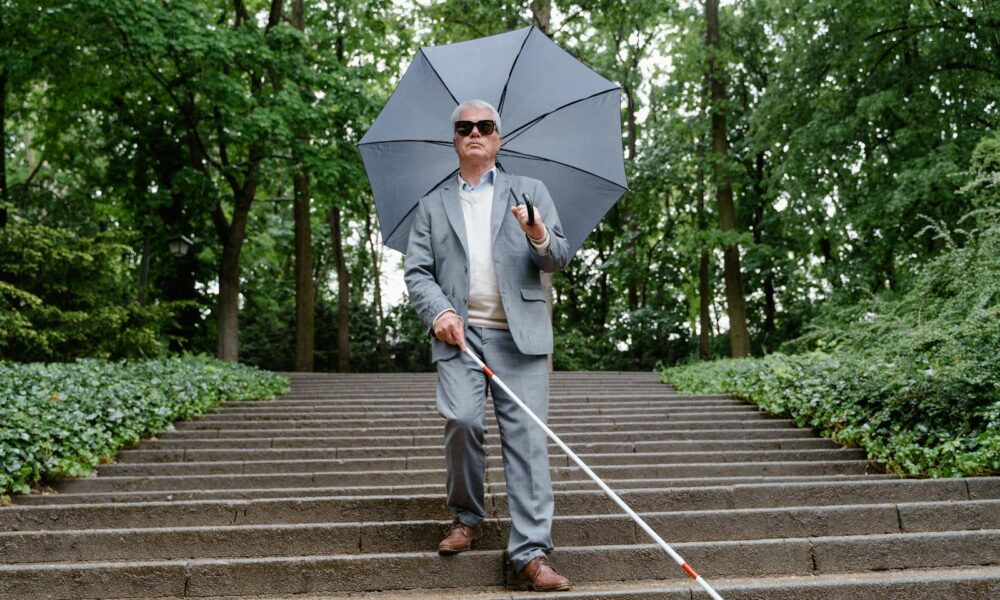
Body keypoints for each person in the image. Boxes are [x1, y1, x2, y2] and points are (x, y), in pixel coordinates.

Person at [404, 99, 572, 592]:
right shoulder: (432, 204)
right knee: (461, 419)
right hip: (461, 337)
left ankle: (531, 553)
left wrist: (537, 231)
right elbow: (417, 272)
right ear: (454, 139)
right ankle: (465, 516)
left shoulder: (530, 191)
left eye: (484, 125)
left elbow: (557, 256)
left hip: (520, 336)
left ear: (498, 136)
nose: (474, 132)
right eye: (464, 126)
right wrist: (439, 311)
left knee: (526, 441)